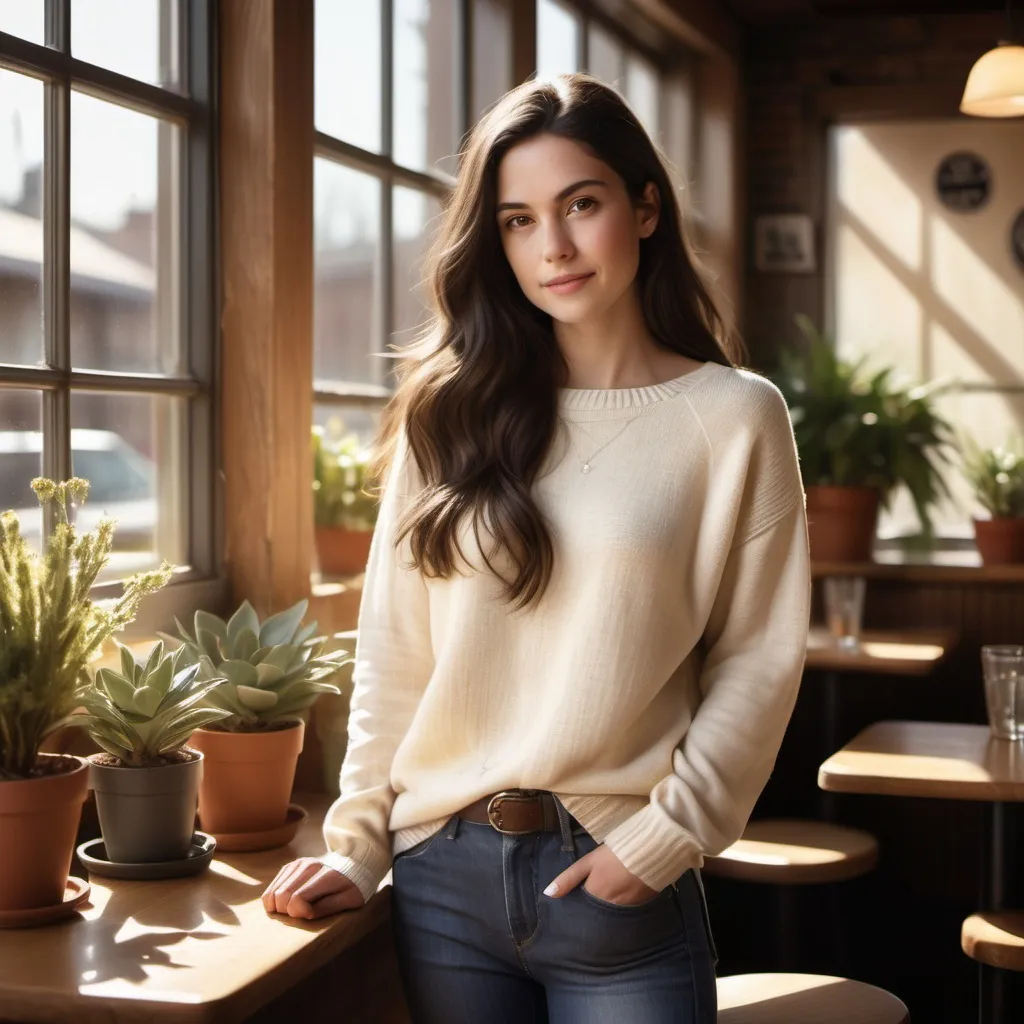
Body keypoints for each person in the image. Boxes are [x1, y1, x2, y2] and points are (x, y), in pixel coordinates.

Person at [262, 72, 811, 1023]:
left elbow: (758, 663)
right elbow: (395, 654)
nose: (551, 246)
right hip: (439, 883)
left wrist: (665, 840)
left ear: (645, 209)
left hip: (615, 882)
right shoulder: (450, 414)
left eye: (581, 205)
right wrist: (356, 843)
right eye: (517, 220)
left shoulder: (735, 418)